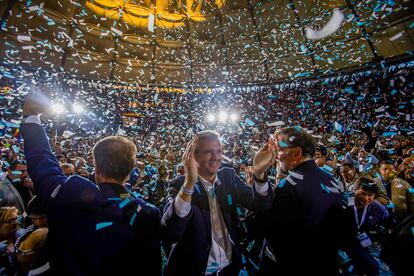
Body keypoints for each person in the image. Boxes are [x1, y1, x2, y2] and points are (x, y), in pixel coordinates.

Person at [19, 94, 162, 275]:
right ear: (130, 171)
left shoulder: (68, 194)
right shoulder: (147, 214)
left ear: (97, 167)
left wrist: (32, 117)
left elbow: (42, 164)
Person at [161, 130, 275, 275]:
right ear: (193, 156)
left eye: (219, 151)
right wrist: (189, 184)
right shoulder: (179, 185)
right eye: (209, 152)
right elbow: (169, 232)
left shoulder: (228, 176)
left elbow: (261, 204)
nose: (216, 157)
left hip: (230, 270)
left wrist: (259, 173)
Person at [252, 127, 344, 275]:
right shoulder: (332, 180)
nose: (277, 156)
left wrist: (258, 173)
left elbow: (263, 226)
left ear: (296, 153)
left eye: (280, 150)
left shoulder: (289, 185)